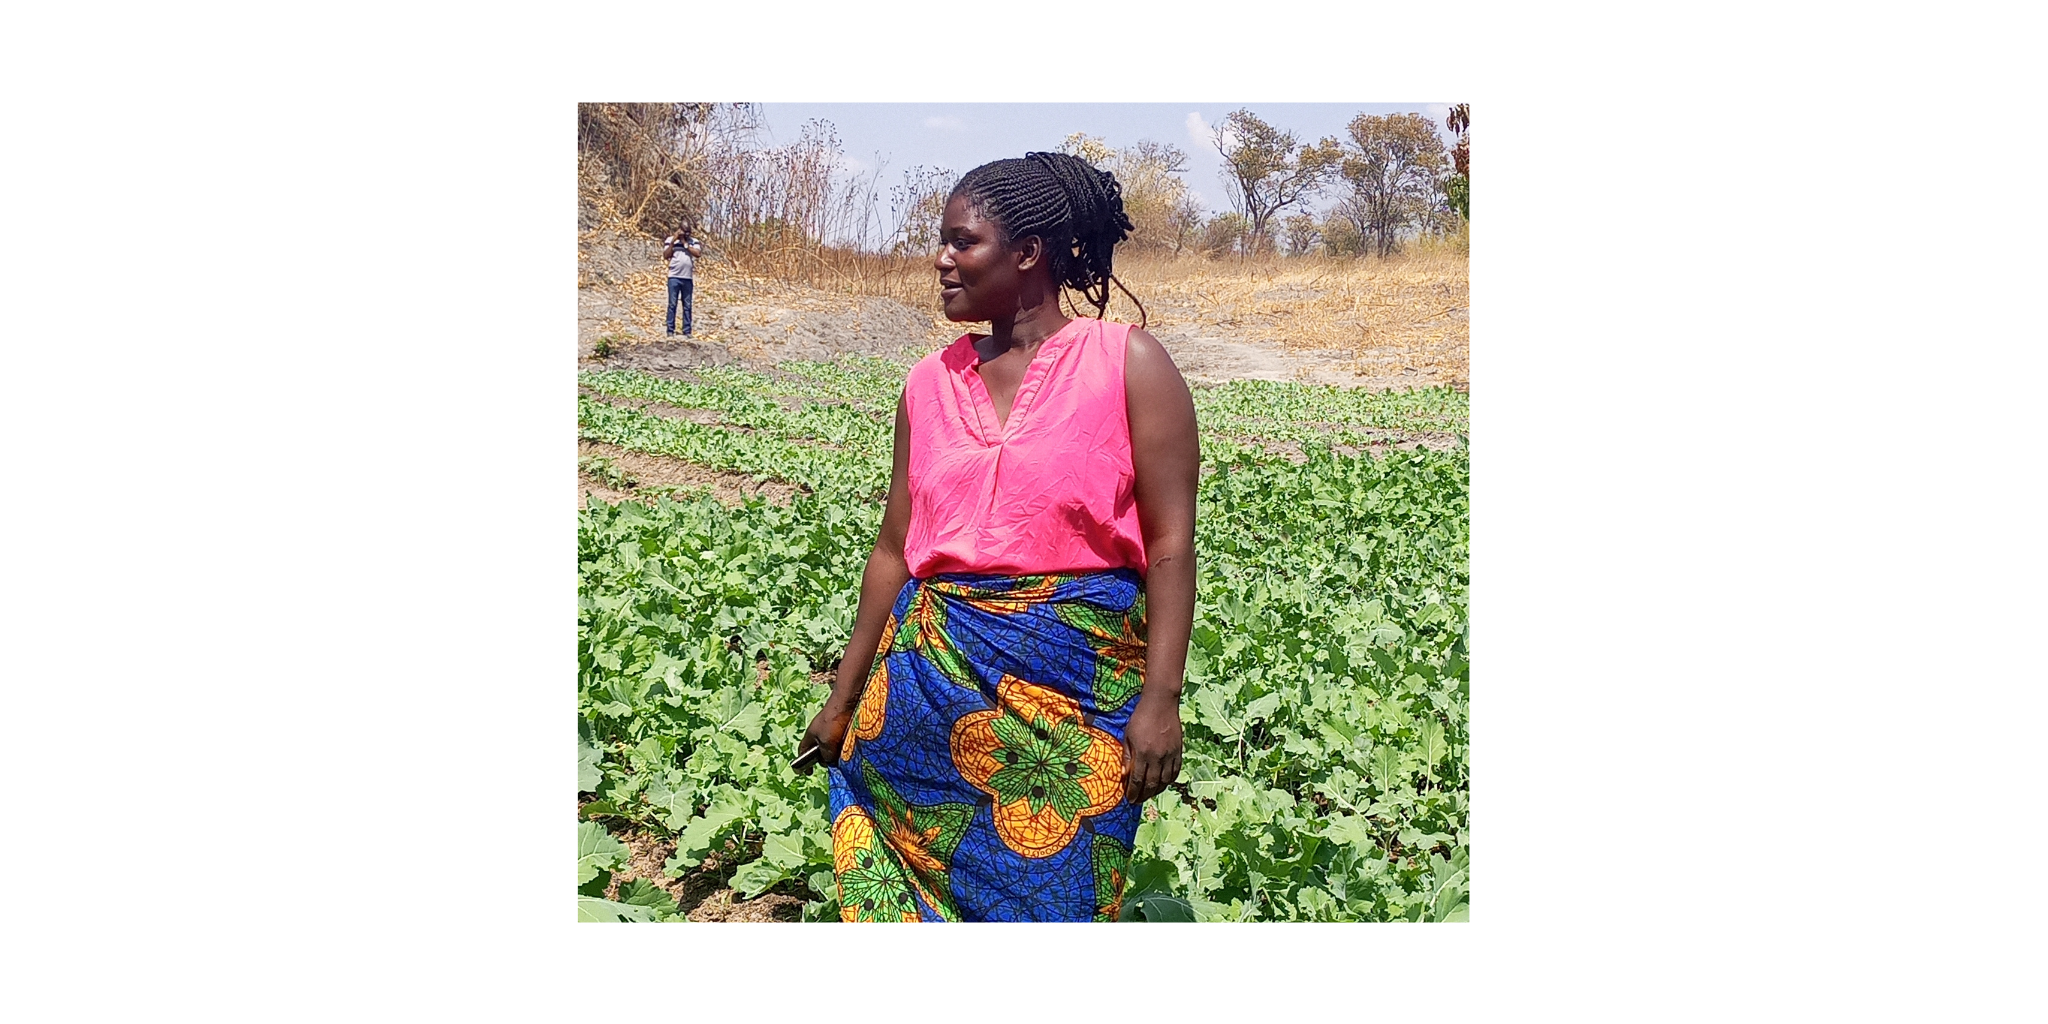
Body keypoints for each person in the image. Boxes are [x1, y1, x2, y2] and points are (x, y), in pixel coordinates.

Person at [797, 151, 1199, 922]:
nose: (941, 260)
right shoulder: (926, 382)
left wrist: (1161, 699)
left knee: (1063, 901)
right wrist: (842, 702)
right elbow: (893, 549)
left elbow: (1171, 545)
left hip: (1076, 710)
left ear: (1026, 253)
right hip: (920, 700)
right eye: (941, 243)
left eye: (962, 242)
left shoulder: (1129, 365)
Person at [662, 225, 701, 337]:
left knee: (687, 305)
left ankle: (687, 330)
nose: (687, 234)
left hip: (687, 278)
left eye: (689, 232)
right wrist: (673, 241)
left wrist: (685, 243)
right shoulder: (670, 240)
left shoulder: (693, 241)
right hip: (674, 277)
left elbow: (697, 254)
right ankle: (670, 329)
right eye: (685, 232)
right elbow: (666, 255)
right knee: (672, 304)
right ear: (679, 230)